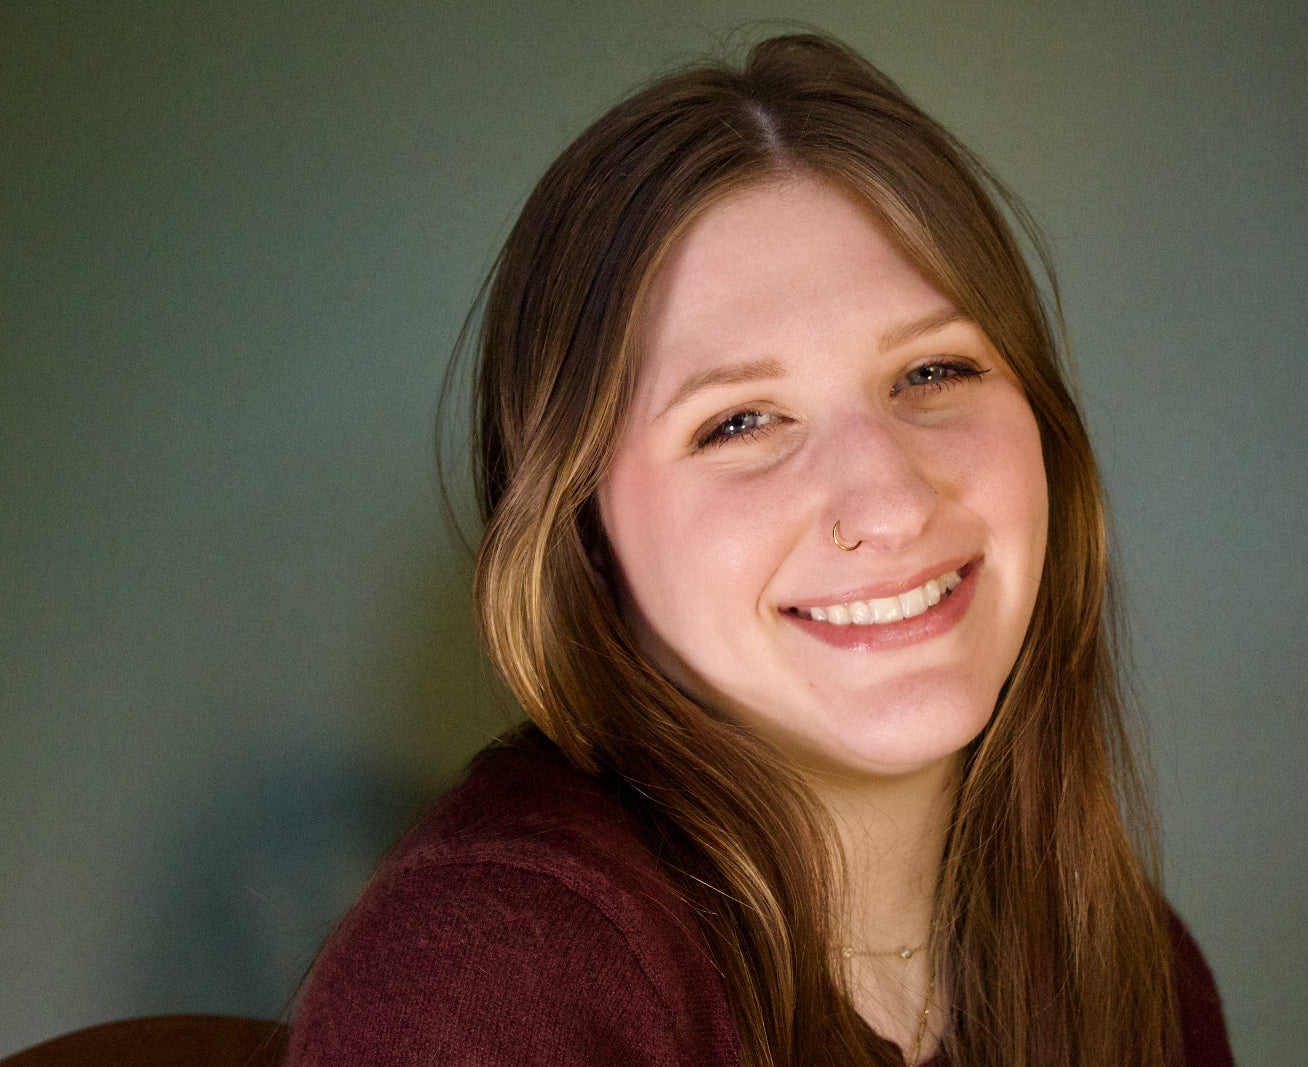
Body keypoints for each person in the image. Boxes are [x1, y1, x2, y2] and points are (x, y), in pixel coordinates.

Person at [286, 33, 1232, 1067]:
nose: (887, 501)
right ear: (580, 533)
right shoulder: (493, 970)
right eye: (739, 422)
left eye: (932, 370)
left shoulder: (1139, 969)